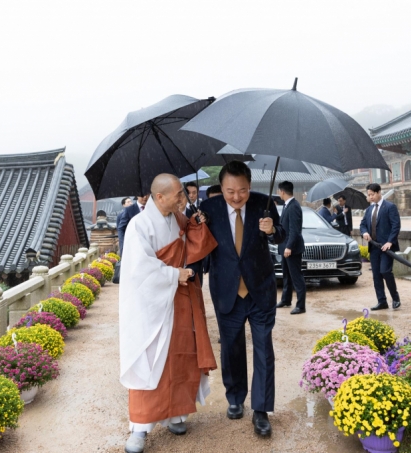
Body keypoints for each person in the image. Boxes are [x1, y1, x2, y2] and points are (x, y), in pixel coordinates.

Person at [119, 174, 218, 453]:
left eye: (183, 194)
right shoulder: (139, 225)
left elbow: (190, 244)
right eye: (178, 194)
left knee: (182, 355)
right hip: (152, 306)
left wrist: (197, 225)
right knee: (151, 361)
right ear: (159, 197)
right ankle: (140, 428)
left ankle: (176, 415)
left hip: (180, 299)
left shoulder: (177, 218)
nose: (183, 198)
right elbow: (142, 269)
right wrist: (175, 273)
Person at [200, 161, 285, 438]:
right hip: (226, 292)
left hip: (260, 289)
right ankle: (235, 397)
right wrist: (197, 227)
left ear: (250, 186)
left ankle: (260, 410)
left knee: (263, 350)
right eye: (230, 192)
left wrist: (272, 229)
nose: (236, 197)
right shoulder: (208, 209)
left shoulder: (264, 203)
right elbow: (198, 245)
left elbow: (283, 235)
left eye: (243, 191)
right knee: (232, 349)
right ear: (222, 188)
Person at [360, 183, 401, 311]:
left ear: (379, 193)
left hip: (387, 247)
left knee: (385, 271)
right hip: (374, 247)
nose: (370, 197)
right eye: (369, 195)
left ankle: (395, 298)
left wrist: (390, 242)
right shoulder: (369, 210)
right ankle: (382, 301)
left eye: (372, 194)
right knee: (376, 275)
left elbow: (396, 225)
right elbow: (362, 225)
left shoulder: (390, 207)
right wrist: (364, 232)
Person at [275, 181, 306, 314]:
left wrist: (289, 247)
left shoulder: (294, 206)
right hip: (285, 247)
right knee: (286, 275)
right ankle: (286, 299)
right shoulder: (287, 205)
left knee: (296, 277)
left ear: (282, 191)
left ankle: (301, 305)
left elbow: (295, 231)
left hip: (291, 249)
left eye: (278, 191)